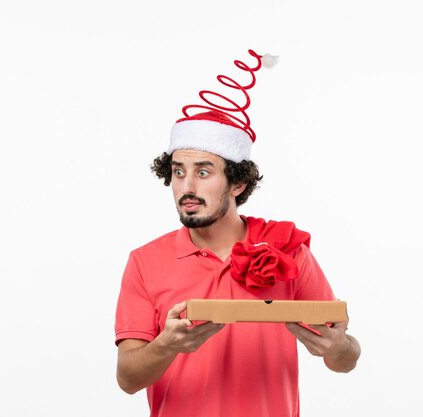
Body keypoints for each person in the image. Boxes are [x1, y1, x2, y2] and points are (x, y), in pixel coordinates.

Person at [114, 49, 360, 417]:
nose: (186, 187)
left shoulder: (286, 249)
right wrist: (166, 346)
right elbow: (128, 378)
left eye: (203, 171)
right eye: (178, 172)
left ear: (239, 183)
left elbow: (346, 358)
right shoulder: (146, 261)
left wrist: (338, 347)